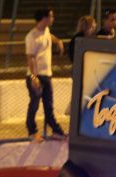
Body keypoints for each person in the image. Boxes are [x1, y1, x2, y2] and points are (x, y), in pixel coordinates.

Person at [25, 8, 67, 143]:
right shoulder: (32, 36)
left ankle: (56, 130)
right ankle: (32, 132)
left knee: (49, 105)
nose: (53, 18)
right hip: (36, 76)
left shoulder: (46, 31)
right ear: (44, 18)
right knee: (34, 105)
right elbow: (30, 57)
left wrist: (58, 41)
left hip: (47, 75)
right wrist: (33, 77)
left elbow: (49, 36)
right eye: (51, 16)